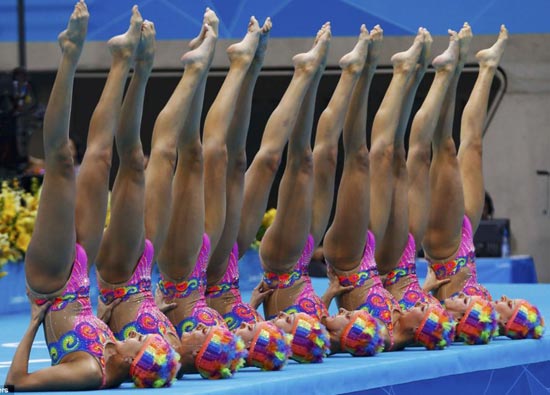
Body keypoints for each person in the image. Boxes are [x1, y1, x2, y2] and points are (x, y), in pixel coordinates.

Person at [6, 2, 179, 390]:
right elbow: (103, 332)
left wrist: (34, 323)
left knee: (63, 162)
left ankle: (69, 52)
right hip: (81, 281)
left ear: (132, 363)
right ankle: (123, 62)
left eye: (139, 342)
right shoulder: (113, 348)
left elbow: (16, 383)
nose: (136, 334)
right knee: (99, 159)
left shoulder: (91, 373)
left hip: (52, 282)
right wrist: (104, 315)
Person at [95, 8, 247, 380]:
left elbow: (106, 345)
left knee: (136, 159)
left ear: (199, 352)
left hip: (122, 276)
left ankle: (136, 65)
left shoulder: (161, 358)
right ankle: (196, 68)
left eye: (205, 334)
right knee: (185, 156)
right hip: (150, 273)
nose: (218, 328)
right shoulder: (178, 347)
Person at [321, 28, 455, 351]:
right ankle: (407, 72)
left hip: (350, 261)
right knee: (397, 156)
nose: (422, 305)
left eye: (422, 312)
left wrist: (326, 296)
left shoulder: (382, 336)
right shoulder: (401, 316)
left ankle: (363, 69)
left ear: (418, 331)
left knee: (362, 157)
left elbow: (322, 331)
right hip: (383, 262)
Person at [422, 25, 543, 342]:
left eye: (512, 307)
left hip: (445, 250)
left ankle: (448, 72)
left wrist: (426, 289)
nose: (507, 300)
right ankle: (486, 65)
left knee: (445, 150)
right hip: (466, 246)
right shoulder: (487, 312)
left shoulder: (471, 326)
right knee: (473, 145)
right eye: (514, 301)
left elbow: (432, 313)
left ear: (510, 324)